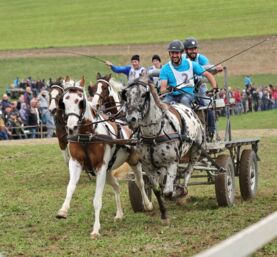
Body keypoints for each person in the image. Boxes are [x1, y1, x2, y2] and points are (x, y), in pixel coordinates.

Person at [183, 37, 223, 139]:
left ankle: (212, 132)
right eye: (191, 49)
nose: (194, 51)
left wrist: (216, 68)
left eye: (195, 48)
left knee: (208, 104)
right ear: (186, 50)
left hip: (200, 86)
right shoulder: (182, 59)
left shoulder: (202, 58)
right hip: (185, 88)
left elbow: (209, 70)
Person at [159, 40, 217, 107]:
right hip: (171, 96)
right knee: (163, 104)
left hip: (188, 95)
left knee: (184, 100)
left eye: (177, 53)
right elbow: (162, 89)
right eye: (172, 53)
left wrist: (214, 88)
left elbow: (208, 75)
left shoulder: (191, 64)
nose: (174, 55)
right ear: (169, 53)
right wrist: (169, 89)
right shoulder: (165, 69)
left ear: (181, 53)